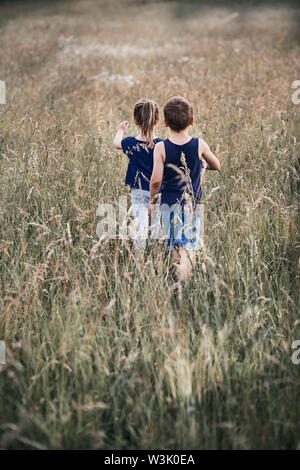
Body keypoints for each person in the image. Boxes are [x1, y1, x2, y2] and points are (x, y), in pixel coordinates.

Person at [149, 96, 220, 281]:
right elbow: (217, 165)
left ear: (165, 122)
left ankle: (177, 283)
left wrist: (151, 201)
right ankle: (185, 285)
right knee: (188, 246)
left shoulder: (161, 147)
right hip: (192, 203)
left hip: (168, 203)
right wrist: (203, 164)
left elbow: (156, 180)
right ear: (192, 120)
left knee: (174, 245)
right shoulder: (199, 144)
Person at [113, 99, 162, 256]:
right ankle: (157, 257)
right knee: (156, 226)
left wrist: (120, 130)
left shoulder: (130, 142)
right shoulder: (162, 144)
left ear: (135, 120)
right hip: (158, 192)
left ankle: (139, 261)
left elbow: (116, 143)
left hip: (139, 192)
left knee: (140, 227)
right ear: (158, 120)